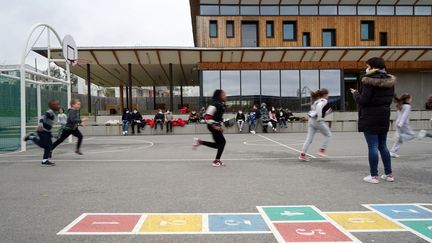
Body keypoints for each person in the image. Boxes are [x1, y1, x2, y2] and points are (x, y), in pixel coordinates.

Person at [351, 57, 396, 184]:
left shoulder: (368, 81)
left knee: (373, 146)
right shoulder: (390, 81)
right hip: (384, 115)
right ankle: (389, 174)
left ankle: (374, 176)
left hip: (370, 115)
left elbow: (364, 100)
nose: (366, 68)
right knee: (383, 146)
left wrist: (355, 94)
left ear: (372, 67)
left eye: (368, 66)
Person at [192, 89, 227, 167]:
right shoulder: (214, 104)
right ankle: (216, 161)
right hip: (212, 126)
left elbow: (217, 117)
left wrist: (220, 125)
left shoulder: (220, 104)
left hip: (215, 125)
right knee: (222, 142)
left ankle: (200, 142)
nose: (225, 96)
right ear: (219, 96)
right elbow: (207, 117)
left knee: (219, 144)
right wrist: (215, 126)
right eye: (223, 95)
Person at [299, 88, 333, 161]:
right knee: (328, 135)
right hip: (317, 121)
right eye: (328, 95)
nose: (328, 96)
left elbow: (315, 112)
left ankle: (302, 155)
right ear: (324, 95)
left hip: (311, 121)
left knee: (309, 139)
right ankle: (322, 150)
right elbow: (319, 108)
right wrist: (320, 118)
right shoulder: (323, 100)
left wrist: (327, 113)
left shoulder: (316, 101)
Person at [24, 100, 60, 166]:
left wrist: (52, 135)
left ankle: (45, 161)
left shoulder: (53, 113)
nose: (59, 106)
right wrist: (40, 123)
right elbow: (43, 116)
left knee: (49, 146)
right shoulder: (50, 112)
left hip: (47, 131)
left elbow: (49, 123)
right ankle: (31, 137)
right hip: (42, 130)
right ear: (53, 106)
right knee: (44, 145)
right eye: (57, 105)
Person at [390, 94, 416, 158]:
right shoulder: (407, 106)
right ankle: (400, 137)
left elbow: (399, 115)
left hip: (398, 123)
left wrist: (399, 123)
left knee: (399, 140)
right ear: (407, 99)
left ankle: (392, 151)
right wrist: (401, 124)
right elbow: (404, 115)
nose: (411, 100)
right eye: (410, 98)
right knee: (412, 135)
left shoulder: (400, 105)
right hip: (403, 124)